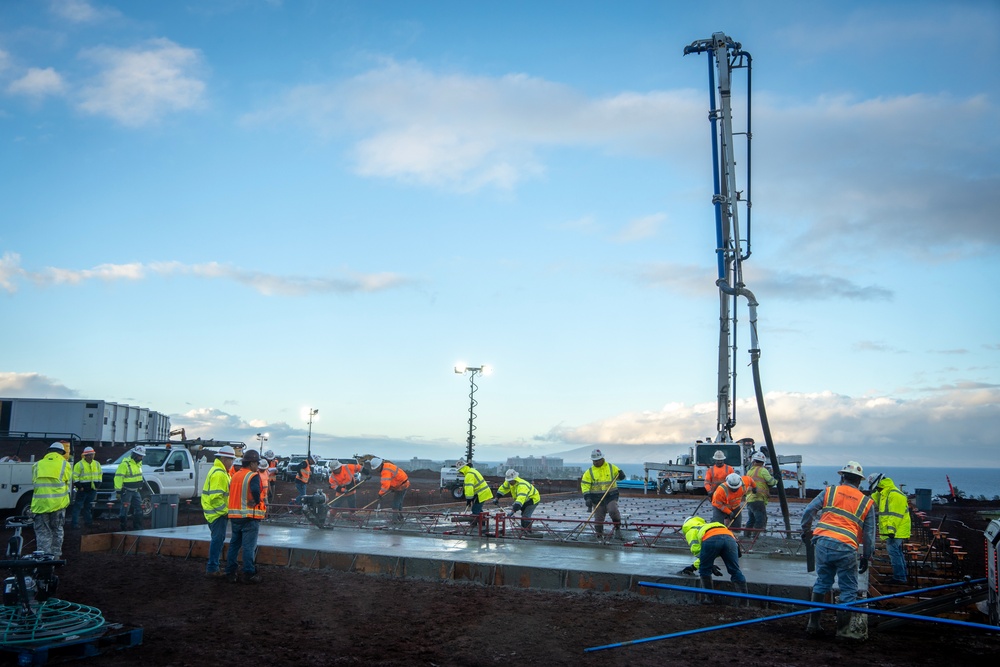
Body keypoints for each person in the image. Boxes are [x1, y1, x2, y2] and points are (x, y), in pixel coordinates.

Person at [800, 461, 875, 637]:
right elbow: (869, 534)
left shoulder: (830, 491)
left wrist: (806, 532)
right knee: (848, 589)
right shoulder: (867, 503)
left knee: (822, 582)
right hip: (846, 547)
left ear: (842, 477)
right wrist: (866, 556)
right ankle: (843, 631)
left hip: (823, 542)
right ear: (859, 481)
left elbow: (808, 511)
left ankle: (813, 624)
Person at [681, 516, 747, 603]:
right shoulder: (709, 525)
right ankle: (744, 602)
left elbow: (698, 551)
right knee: (735, 571)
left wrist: (708, 565)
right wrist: (694, 566)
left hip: (711, 539)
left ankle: (709, 599)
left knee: (704, 570)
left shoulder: (691, 530)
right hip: (730, 539)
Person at [226, 449, 266, 583]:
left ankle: (230, 572)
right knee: (249, 547)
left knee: (234, 545)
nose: (257, 466)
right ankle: (249, 573)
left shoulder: (235, 476)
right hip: (249, 516)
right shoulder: (252, 476)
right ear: (252, 463)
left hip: (235, 516)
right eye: (257, 463)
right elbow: (255, 490)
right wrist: (257, 500)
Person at [868, 473, 912, 584]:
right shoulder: (885, 494)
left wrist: (891, 530)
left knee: (894, 553)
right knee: (897, 552)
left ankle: (900, 578)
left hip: (896, 530)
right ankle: (902, 575)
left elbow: (895, 515)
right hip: (894, 530)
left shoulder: (894, 495)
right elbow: (874, 502)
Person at [31, 442, 72, 558]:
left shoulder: (37, 464)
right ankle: (55, 557)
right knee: (57, 530)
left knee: (43, 533)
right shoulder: (65, 465)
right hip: (58, 505)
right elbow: (67, 483)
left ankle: (43, 558)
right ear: (61, 453)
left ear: (49, 451)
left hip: (40, 506)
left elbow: (34, 482)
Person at [202, 445, 236, 578]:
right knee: (217, 540)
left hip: (214, 513)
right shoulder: (219, 474)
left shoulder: (218, 471)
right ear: (223, 458)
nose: (232, 462)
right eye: (230, 459)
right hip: (217, 514)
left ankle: (213, 567)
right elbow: (216, 498)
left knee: (217, 540)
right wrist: (225, 512)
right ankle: (212, 568)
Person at [580, 448, 627, 540]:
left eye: (597, 460)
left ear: (602, 459)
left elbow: (620, 477)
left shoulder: (611, 467)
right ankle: (599, 535)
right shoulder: (589, 472)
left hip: (610, 495)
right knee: (598, 518)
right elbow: (585, 485)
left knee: (613, 510)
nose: (596, 462)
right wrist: (587, 497)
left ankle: (617, 530)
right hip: (596, 498)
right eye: (594, 461)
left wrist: (622, 475)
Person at [494, 469, 542, 537]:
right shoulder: (509, 482)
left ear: (515, 479)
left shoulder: (522, 485)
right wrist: (497, 498)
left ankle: (528, 532)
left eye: (511, 481)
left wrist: (513, 511)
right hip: (524, 500)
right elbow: (503, 488)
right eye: (509, 481)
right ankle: (524, 531)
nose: (510, 482)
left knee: (526, 516)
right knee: (524, 515)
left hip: (533, 499)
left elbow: (520, 499)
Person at [744, 452, 778, 532]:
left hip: (750, 499)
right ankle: (756, 536)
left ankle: (747, 535)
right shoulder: (763, 470)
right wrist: (777, 479)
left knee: (751, 519)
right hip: (758, 499)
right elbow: (771, 482)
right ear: (763, 462)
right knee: (760, 519)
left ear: (753, 461)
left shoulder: (749, 471)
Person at [115, 445, 146, 531]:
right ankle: (123, 527)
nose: (141, 457)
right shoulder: (125, 464)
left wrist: (140, 485)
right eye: (140, 456)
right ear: (135, 455)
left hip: (136, 490)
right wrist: (118, 490)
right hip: (126, 490)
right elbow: (118, 477)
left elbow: (138, 477)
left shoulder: (138, 464)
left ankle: (138, 527)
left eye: (142, 456)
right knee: (125, 509)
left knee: (139, 508)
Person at [369, 457, 410, 522]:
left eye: (376, 468)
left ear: (379, 466)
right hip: (402, 483)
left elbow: (385, 486)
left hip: (401, 485)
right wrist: (393, 487)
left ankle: (395, 520)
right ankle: (400, 517)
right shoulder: (386, 465)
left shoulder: (385, 471)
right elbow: (393, 478)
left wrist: (380, 494)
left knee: (395, 504)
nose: (376, 470)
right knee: (399, 502)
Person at [71, 446, 101, 529]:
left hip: (92, 489)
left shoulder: (97, 464)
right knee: (78, 506)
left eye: (92, 454)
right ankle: (75, 523)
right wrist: (80, 487)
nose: (91, 456)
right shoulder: (79, 465)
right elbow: (75, 477)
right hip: (83, 490)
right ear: (85, 456)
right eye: (89, 455)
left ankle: (88, 522)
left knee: (88, 507)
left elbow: (99, 475)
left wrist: (98, 485)